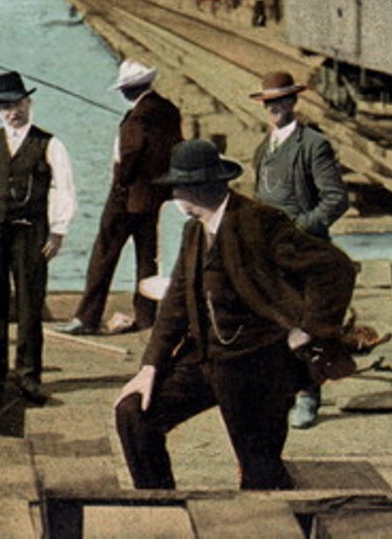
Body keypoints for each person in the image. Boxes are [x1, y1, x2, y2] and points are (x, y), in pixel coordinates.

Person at [114, 139, 356, 490]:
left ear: (197, 188)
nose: (171, 196)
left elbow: (335, 268)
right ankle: (162, 507)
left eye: (176, 187)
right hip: (204, 359)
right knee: (135, 413)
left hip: (255, 364)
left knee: (261, 476)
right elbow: (175, 304)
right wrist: (150, 366)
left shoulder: (260, 222)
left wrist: (310, 329)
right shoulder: (193, 229)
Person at [0, 71, 77, 404]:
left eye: (18, 104)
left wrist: (58, 230)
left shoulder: (50, 144)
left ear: (29, 103)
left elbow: (64, 190)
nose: (13, 112)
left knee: (29, 304)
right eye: (6, 106)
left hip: (31, 233)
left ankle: (28, 377)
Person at [249, 70, 350, 430]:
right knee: (274, 324)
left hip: (304, 250)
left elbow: (336, 198)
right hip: (269, 252)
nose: (274, 108)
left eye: (280, 101)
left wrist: (300, 228)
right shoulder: (265, 147)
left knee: (307, 325)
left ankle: (308, 396)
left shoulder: (313, 145)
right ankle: (281, 393)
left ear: (293, 102)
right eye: (268, 103)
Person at [56, 59, 182, 336]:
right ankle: (147, 318)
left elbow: (132, 151)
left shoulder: (137, 117)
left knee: (104, 253)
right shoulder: (168, 110)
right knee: (147, 258)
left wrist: (121, 182)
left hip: (126, 197)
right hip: (155, 196)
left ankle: (86, 318)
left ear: (128, 91)